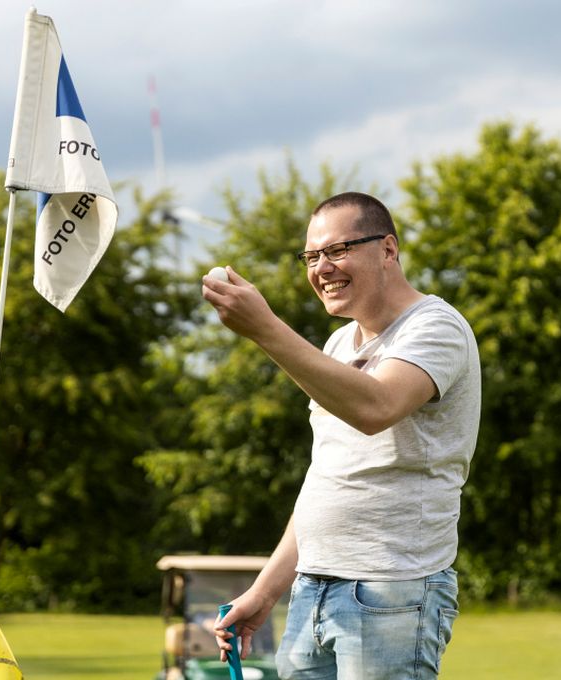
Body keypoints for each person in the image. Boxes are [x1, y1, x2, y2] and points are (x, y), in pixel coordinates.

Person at [201, 191, 481, 679]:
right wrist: (265, 591)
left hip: (392, 591)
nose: (321, 268)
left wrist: (265, 328)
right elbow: (328, 479)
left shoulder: (437, 327)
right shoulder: (337, 343)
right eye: (312, 256)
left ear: (388, 250)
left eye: (338, 250)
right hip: (312, 590)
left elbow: (377, 407)